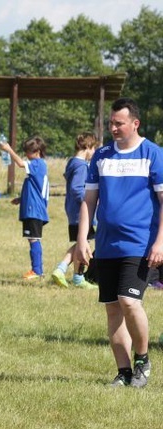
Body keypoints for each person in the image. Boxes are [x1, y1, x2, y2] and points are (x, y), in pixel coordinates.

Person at [75, 97, 163, 388]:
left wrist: (160, 242)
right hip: (107, 245)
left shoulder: (153, 154)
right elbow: (89, 201)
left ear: (135, 123)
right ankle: (123, 372)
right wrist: (82, 240)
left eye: (118, 123)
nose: (113, 127)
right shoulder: (101, 156)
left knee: (129, 301)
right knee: (113, 308)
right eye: (110, 123)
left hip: (139, 244)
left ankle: (142, 359)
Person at [50, 132, 99, 290]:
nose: (94, 153)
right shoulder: (81, 166)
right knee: (82, 243)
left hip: (73, 211)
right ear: (88, 147)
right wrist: (91, 201)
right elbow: (77, 189)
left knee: (81, 243)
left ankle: (78, 277)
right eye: (94, 149)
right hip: (81, 213)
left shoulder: (72, 163)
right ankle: (62, 269)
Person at [0, 136, 49, 280]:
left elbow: (20, 163)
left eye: (29, 152)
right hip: (32, 208)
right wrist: (21, 199)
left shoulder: (38, 164)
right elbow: (36, 189)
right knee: (32, 238)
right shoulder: (37, 166)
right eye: (26, 151)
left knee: (33, 238)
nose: (26, 154)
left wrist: (9, 150)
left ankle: (37, 270)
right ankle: (37, 270)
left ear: (37, 151)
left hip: (34, 210)